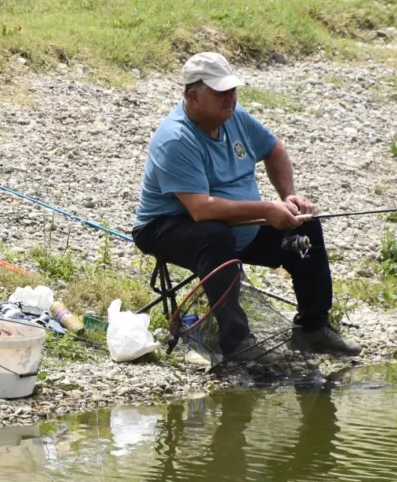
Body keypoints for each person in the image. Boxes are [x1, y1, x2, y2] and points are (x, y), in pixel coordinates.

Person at [132, 53, 361, 362]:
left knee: (303, 229)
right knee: (213, 234)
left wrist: (288, 198)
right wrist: (266, 209)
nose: (230, 98)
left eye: (232, 90)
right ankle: (236, 342)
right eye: (220, 92)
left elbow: (273, 148)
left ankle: (313, 329)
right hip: (168, 228)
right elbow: (200, 209)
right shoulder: (175, 138)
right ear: (192, 96)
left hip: (241, 230)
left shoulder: (234, 117)